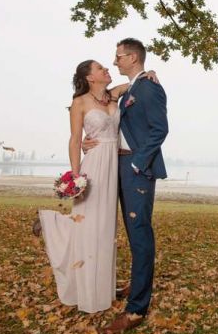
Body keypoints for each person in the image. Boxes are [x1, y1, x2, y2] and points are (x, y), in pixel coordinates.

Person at [36, 60, 158, 314]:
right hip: (93, 167)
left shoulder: (113, 95)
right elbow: (74, 139)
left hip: (115, 167)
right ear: (90, 78)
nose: (107, 69)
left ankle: (101, 286)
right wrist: (75, 176)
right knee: (87, 223)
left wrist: (150, 74)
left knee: (104, 227)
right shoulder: (80, 102)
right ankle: (51, 225)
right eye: (101, 68)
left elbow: (135, 83)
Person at [101, 38, 169, 334]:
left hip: (136, 169)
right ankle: (135, 283)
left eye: (118, 57)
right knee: (131, 233)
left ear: (132, 57)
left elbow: (160, 129)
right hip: (118, 166)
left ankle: (137, 308)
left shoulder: (149, 87)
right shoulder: (134, 86)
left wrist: (136, 164)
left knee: (140, 233)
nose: (115, 62)